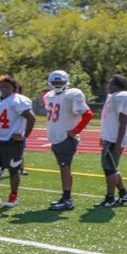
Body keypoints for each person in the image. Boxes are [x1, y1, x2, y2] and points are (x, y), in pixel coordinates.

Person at [0, 75, 35, 208]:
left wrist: (23, 136)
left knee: (13, 170)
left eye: (7, 86)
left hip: (12, 141)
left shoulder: (18, 101)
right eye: (2, 86)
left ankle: (13, 196)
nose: (3, 89)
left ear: (14, 88)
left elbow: (31, 119)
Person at [43, 70, 93, 211]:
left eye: (60, 82)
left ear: (66, 82)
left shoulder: (73, 94)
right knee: (63, 168)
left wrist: (75, 131)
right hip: (56, 138)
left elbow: (88, 115)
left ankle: (67, 199)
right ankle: (65, 197)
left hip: (66, 138)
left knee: (65, 168)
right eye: (55, 82)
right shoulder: (49, 95)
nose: (57, 85)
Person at [96, 74, 127, 207]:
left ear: (118, 85)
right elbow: (108, 119)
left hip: (114, 139)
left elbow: (123, 121)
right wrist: (103, 136)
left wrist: (118, 143)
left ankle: (110, 198)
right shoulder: (113, 97)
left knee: (109, 169)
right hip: (110, 137)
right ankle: (124, 193)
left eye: (111, 83)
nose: (109, 86)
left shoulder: (122, 96)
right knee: (111, 168)